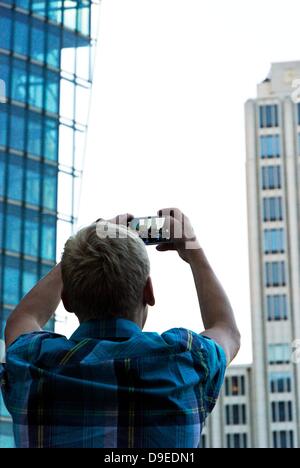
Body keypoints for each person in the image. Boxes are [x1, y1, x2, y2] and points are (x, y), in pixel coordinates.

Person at [0, 208, 240, 448]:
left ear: (67, 299)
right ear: (149, 291)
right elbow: (226, 330)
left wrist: (82, 250)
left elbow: (22, 318)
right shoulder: (185, 359)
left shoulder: (32, 362)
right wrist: (194, 252)